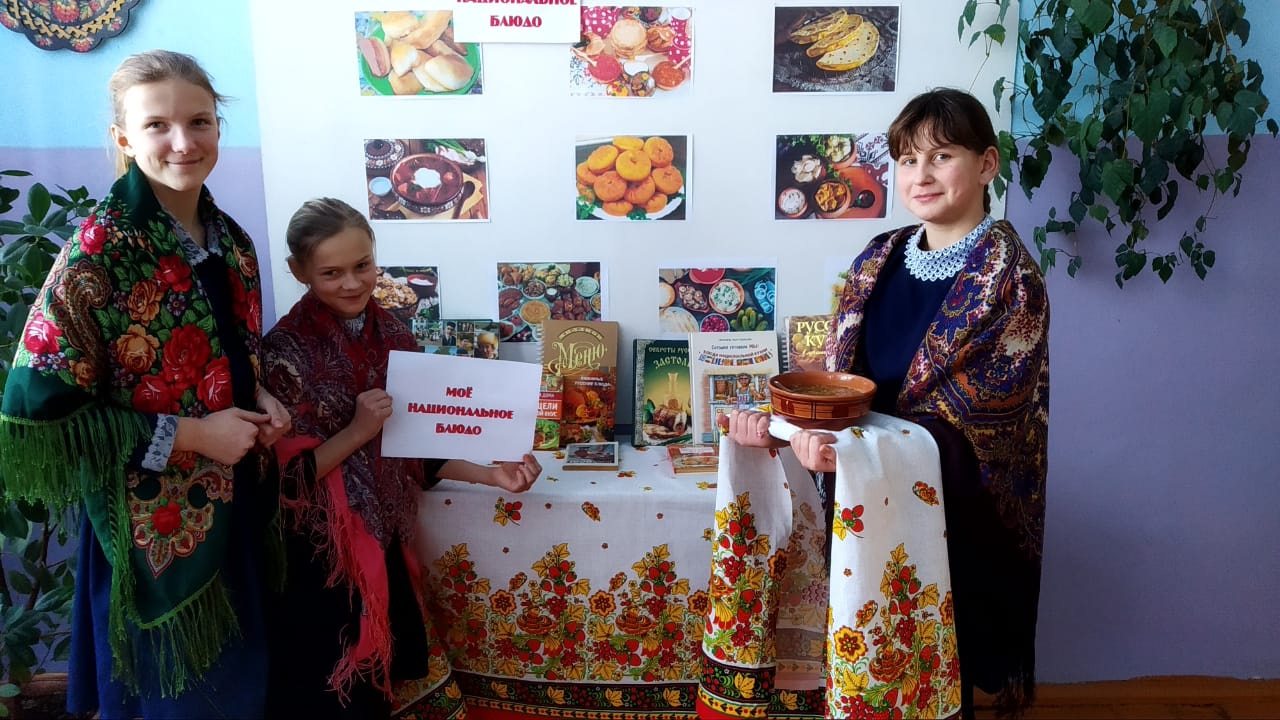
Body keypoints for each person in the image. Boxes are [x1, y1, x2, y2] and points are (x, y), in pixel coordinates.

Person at [728, 88, 1049, 719]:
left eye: (941, 156)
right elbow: (841, 381)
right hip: (860, 489)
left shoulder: (1011, 280)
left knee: (930, 667)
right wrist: (785, 426)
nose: (920, 175)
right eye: (907, 160)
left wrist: (845, 451)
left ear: (986, 164)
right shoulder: (880, 255)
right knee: (863, 656)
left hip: (953, 515)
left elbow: (985, 431)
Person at [0, 50, 290, 719]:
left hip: (235, 504)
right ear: (124, 138)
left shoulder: (231, 240)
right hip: (150, 531)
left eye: (200, 121)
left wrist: (261, 396)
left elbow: (232, 350)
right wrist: (194, 436)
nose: (183, 142)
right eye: (158, 125)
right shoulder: (98, 254)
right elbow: (40, 416)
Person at [261, 197, 542, 719]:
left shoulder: (393, 333)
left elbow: (415, 448)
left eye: (362, 265)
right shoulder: (283, 352)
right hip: (322, 562)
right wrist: (358, 431)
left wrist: (492, 474)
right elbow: (285, 484)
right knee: (332, 697)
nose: (352, 283)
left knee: (381, 691)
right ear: (298, 271)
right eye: (330, 272)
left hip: (385, 539)